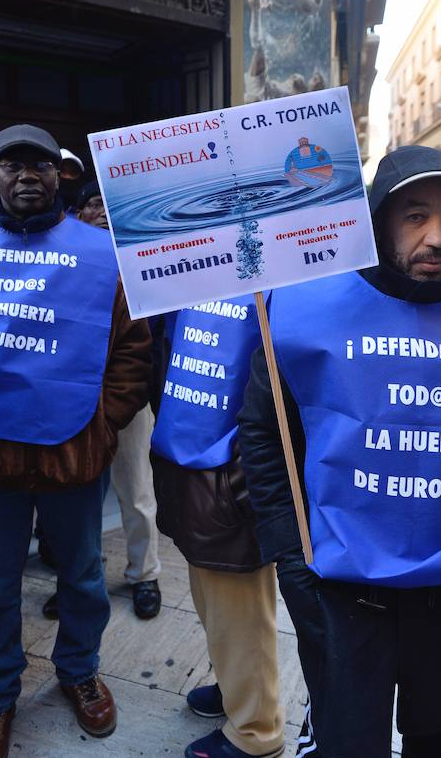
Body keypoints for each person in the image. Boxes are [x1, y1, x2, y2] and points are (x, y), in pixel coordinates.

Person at [238, 145, 441, 758]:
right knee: (348, 744)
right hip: (345, 591)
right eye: (415, 216)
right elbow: (265, 439)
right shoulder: (306, 312)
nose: (437, 237)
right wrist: (291, 558)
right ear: (378, 221)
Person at [0, 125, 152, 756]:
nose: (27, 175)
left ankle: (79, 670)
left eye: (41, 166)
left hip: (74, 452)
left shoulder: (104, 252)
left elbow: (135, 347)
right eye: (11, 165)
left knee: (81, 576)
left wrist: (103, 422)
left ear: (62, 176)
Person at [151, 297, 285, 758]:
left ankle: (255, 731)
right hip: (190, 453)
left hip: (233, 463)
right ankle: (236, 690)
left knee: (241, 606)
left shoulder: (279, 266)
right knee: (212, 590)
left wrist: (250, 470)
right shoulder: (200, 260)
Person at [39, 182, 162, 621]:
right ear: (76, 214)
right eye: (95, 204)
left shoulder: (138, 259)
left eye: (110, 206)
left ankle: (144, 574)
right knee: (76, 504)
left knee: (137, 492)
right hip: (72, 404)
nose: (104, 213)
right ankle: (74, 582)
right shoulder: (61, 261)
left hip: (126, 400)